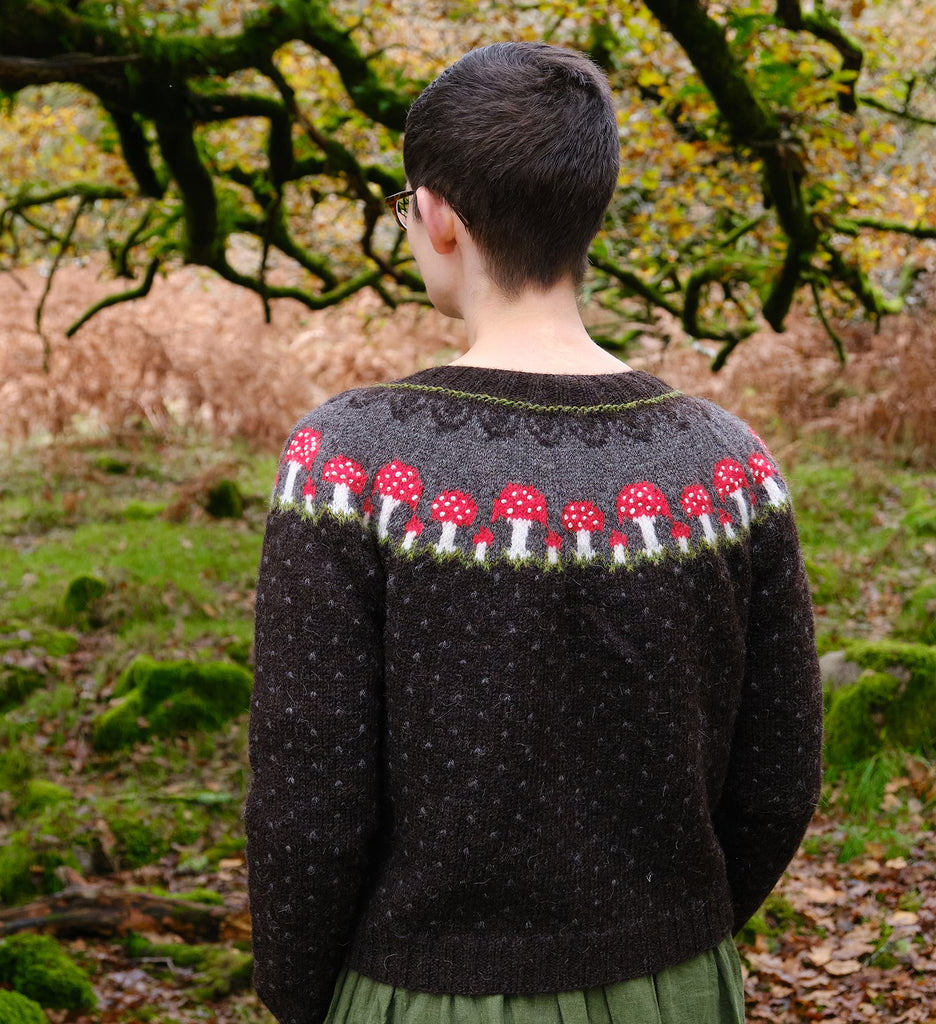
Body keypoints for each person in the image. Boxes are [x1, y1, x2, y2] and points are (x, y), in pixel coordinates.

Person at [244, 41, 823, 1024]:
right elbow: (778, 780)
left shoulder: (348, 463)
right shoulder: (729, 466)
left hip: (418, 997)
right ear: (589, 210)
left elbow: (310, 803)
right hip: (676, 989)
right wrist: (671, 948)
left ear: (437, 217)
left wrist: (300, 998)